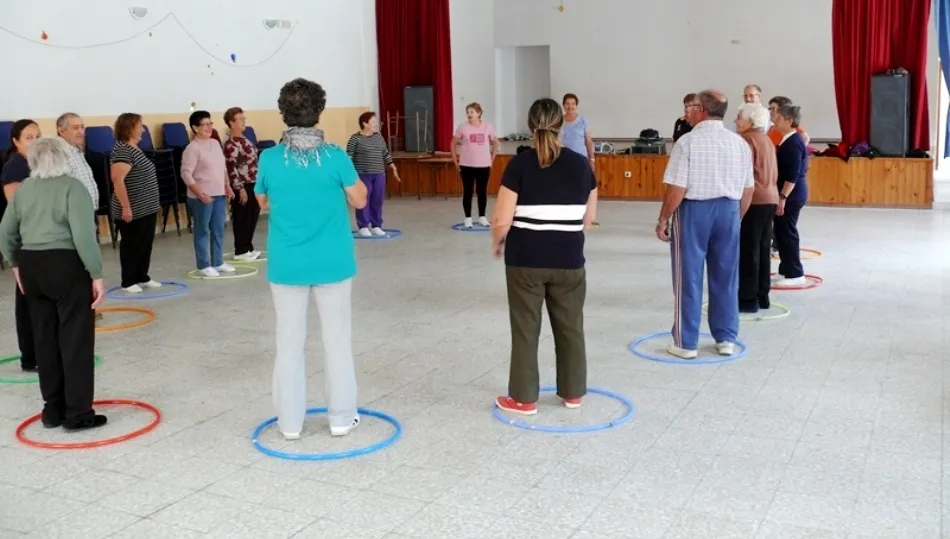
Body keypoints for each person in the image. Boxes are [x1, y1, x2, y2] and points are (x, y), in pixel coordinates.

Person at [255, 78, 368, 440]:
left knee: (288, 344)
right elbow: (361, 200)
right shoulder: (335, 156)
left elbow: (264, 202)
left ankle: (289, 424)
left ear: (284, 113)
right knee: (337, 342)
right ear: (319, 112)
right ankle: (340, 418)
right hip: (333, 263)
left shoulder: (270, 158)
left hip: (288, 265)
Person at [491, 98, 598, 415]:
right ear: (561, 124)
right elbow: (587, 219)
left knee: (526, 329)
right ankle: (573, 393)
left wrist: (498, 242)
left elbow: (501, 219)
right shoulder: (580, 165)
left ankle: (523, 399)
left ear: (529, 125)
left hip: (525, 259)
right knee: (571, 327)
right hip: (568, 261)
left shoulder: (520, 164)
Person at [0, 137, 107, 430]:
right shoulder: (73, 188)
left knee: (44, 340)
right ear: (64, 160)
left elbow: (5, 232)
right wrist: (96, 275)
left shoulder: (24, 190)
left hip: (32, 266)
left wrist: (17, 266)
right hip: (65, 266)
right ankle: (78, 414)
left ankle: (52, 409)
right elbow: (84, 236)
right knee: (75, 340)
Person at [656, 90, 754, 360]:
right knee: (726, 276)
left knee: (688, 277)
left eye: (691, 107)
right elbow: (748, 190)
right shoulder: (739, 144)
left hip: (694, 212)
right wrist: (736, 218)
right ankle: (725, 338)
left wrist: (663, 218)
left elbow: (677, 188)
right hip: (729, 210)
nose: (687, 111)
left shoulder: (687, 143)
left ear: (701, 110)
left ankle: (686, 342)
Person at [1, 119, 40, 372]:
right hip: (25, 240)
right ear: (16, 141)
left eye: (38, 136)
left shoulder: (33, 163)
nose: (35, 141)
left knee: (33, 296)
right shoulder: (16, 165)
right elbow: (16, 209)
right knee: (26, 298)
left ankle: (37, 352)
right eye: (29, 137)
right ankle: (30, 356)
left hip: (34, 239)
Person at [735, 103, 779, 313]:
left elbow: (744, 178)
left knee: (748, 250)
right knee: (762, 249)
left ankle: (747, 299)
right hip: (771, 198)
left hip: (754, 200)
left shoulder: (746, 140)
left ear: (750, 120)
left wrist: (739, 210)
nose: (736, 121)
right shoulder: (767, 140)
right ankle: (762, 296)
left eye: (739, 117)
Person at [111, 113, 161, 293]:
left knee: (145, 243)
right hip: (132, 209)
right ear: (129, 128)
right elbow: (117, 180)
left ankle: (142, 276)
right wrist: (126, 206)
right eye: (140, 125)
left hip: (146, 207)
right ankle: (128, 281)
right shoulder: (123, 150)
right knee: (132, 244)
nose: (143, 129)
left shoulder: (134, 148)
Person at [182, 110, 235, 277]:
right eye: (204, 124)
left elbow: (222, 168)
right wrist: (200, 193)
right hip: (201, 197)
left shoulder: (215, 143)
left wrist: (227, 185)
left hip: (219, 193)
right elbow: (186, 173)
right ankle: (204, 264)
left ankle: (218, 261)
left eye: (210, 123)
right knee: (202, 229)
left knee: (218, 228)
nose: (208, 127)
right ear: (195, 128)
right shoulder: (192, 148)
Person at [346, 111, 401, 237]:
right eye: (373, 122)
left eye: (376, 122)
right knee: (363, 201)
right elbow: (348, 157)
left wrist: (393, 167)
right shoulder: (355, 139)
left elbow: (385, 154)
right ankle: (363, 226)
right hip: (362, 175)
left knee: (377, 200)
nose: (376, 124)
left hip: (379, 174)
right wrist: (350, 175)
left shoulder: (378, 137)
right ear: (365, 123)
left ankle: (376, 225)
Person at [773, 104, 809, 287]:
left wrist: (782, 197)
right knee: (781, 231)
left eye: (778, 117)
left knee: (787, 232)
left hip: (792, 195)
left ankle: (795, 273)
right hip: (789, 193)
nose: (774, 119)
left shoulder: (794, 142)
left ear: (789, 121)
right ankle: (786, 269)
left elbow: (793, 174)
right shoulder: (787, 139)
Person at [450, 102, 499, 228]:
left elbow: (496, 142)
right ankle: (468, 218)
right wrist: (456, 161)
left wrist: (491, 159)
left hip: (483, 165)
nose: (469, 114)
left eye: (472, 112)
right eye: (468, 112)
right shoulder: (462, 127)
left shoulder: (487, 126)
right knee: (468, 191)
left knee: (482, 191)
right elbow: (453, 143)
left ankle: (482, 217)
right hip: (466, 165)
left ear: (479, 113)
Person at [222, 107, 262, 262]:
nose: (243, 121)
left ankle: (248, 246)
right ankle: (241, 250)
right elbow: (231, 168)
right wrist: (239, 189)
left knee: (252, 215)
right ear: (232, 123)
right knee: (242, 217)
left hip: (254, 182)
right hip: (242, 185)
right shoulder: (230, 144)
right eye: (240, 119)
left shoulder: (245, 139)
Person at [56, 113, 99, 205]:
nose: (81, 132)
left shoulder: (77, 150)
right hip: (74, 212)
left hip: (87, 209)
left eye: (82, 127)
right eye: (75, 128)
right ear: (61, 131)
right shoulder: (59, 154)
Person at [560, 93, 595, 170]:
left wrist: (592, 160)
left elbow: (588, 141)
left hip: (581, 159)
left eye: (573, 104)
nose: (570, 106)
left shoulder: (583, 120)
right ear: (563, 105)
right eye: (567, 104)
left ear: (576, 105)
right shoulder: (558, 121)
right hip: (563, 160)